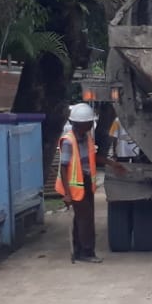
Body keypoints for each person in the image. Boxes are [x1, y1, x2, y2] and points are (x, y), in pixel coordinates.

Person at [56, 103, 102, 263]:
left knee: (81, 220)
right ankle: (87, 252)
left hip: (86, 183)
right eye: (88, 123)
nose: (90, 125)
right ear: (77, 124)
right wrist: (67, 194)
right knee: (85, 220)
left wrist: (112, 163)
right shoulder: (69, 141)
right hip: (75, 187)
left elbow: (92, 157)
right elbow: (63, 167)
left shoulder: (86, 138)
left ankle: (79, 250)